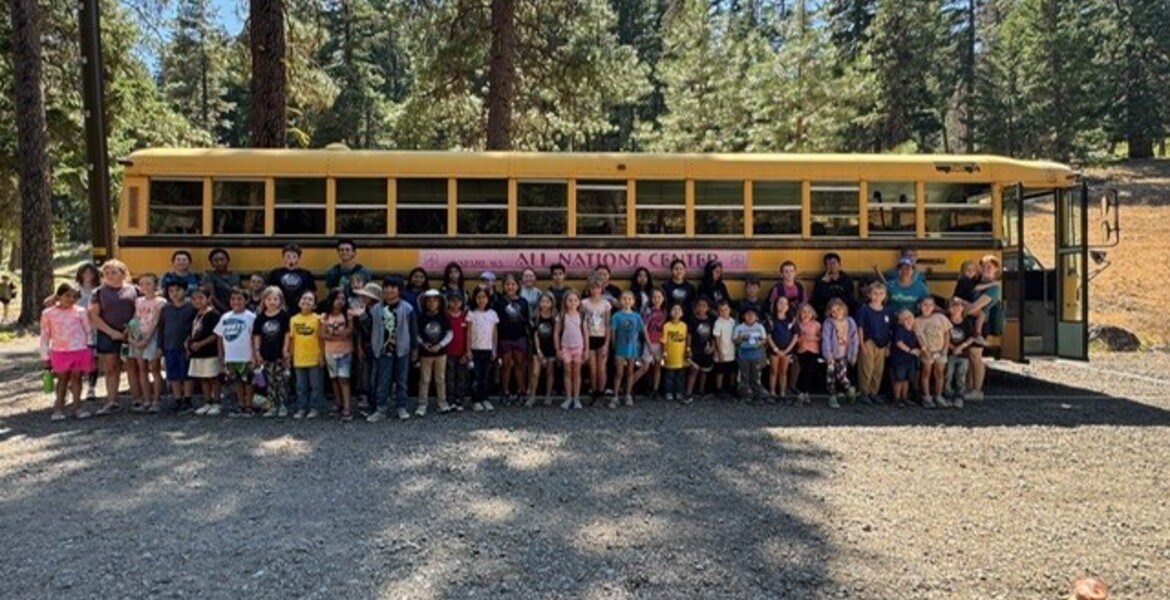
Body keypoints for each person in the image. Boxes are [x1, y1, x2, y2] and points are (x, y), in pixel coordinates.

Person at [91, 259, 139, 416]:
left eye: (114, 272)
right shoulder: (98, 292)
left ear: (123, 274)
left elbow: (142, 309)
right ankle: (112, 401)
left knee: (132, 366)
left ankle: (137, 399)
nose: (110, 275)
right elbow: (94, 316)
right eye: (107, 273)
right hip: (107, 333)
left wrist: (130, 329)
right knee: (111, 368)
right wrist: (111, 332)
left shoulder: (134, 290)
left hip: (130, 333)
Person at [40, 282, 93, 421]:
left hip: (79, 349)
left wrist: (89, 347)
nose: (71, 299)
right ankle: (58, 408)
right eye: (67, 296)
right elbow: (45, 335)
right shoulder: (48, 313)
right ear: (58, 296)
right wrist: (44, 355)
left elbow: (88, 330)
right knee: (62, 379)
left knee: (77, 378)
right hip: (59, 351)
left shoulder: (80, 311)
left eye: (74, 297)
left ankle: (77, 407)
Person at [368, 276, 418, 421]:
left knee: (401, 380)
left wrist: (415, 348)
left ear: (400, 290)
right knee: (383, 380)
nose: (389, 290)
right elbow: (369, 328)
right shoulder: (376, 309)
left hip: (402, 349)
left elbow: (413, 329)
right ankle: (381, 409)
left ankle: (401, 407)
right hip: (383, 349)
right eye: (386, 287)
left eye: (393, 287)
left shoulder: (407, 308)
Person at [964, 255, 1002, 402]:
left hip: (981, 324)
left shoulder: (993, 289)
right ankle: (968, 388)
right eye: (984, 266)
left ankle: (977, 390)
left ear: (996, 269)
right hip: (969, 322)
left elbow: (975, 307)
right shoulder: (978, 283)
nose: (986, 269)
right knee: (969, 356)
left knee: (976, 356)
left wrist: (961, 307)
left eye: (989, 267)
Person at [128, 273, 167, 413]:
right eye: (142, 284)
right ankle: (146, 399)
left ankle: (156, 400)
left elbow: (156, 321)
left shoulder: (160, 302)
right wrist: (132, 337)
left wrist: (147, 339)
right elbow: (134, 319)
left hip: (153, 337)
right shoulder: (138, 301)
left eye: (149, 283)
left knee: (155, 368)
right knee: (141, 368)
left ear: (156, 285)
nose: (145, 287)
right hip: (138, 336)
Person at [216, 288, 258, 417]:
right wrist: (221, 354)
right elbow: (220, 336)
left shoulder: (251, 317)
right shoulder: (225, 317)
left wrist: (254, 355)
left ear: (246, 300)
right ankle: (240, 404)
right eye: (233, 299)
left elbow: (254, 336)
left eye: (240, 299)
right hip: (231, 356)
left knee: (249, 381)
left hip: (246, 356)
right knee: (237, 381)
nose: (236, 302)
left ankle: (249, 405)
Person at [252, 286, 290, 418]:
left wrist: (285, 349)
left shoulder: (283, 316)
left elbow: (287, 334)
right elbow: (257, 335)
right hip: (265, 353)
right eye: (268, 299)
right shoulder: (260, 317)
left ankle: (283, 405)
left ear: (280, 300)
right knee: (269, 381)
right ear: (263, 300)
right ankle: (272, 405)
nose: (272, 302)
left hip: (279, 354)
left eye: (275, 299)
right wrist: (257, 352)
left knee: (281, 380)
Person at [159, 280, 197, 413]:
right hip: (169, 345)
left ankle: (188, 399)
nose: (174, 293)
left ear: (185, 291)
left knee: (187, 374)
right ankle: (177, 398)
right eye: (171, 291)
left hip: (185, 347)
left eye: (178, 290)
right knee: (173, 374)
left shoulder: (191, 307)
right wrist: (160, 346)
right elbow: (161, 327)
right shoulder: (165, 308)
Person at [288, 291, 326, 419]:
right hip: (299, 358)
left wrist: (322, 355)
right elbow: (292, 339)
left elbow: (321, 339)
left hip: (314, 357)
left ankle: (315, 408)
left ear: (314, 305)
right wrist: (290, 355)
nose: (306, 301)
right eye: (304, 298)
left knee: (316, 386)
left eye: (310, 299)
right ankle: (301, 408)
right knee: (300, 386)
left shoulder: (318, 319)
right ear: (299, 302)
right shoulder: (293, 319)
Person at [495, 274, 531, 405]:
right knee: (505, 366)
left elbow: (526, 320)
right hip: (504, 338)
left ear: (518, 286)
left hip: (519, 338)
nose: (510, 287)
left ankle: (521, 391)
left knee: (520, 365)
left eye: (513, 284)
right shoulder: (499, 302)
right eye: (507, 284)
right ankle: (505, 392)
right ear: (503, 286)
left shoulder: (523, 302)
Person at [416, 289, 453, 416]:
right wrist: (423, 343)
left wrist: (440, 345)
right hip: (425, 354)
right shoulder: (421, 318)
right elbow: (417, 334)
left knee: (440, 379)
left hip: (441, 353)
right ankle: (422, 404)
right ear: (424, 303)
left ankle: (442, 402)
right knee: (424, 379)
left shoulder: (444, 317)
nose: (432, 304)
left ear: (439, 302)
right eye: (429, 301)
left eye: (434, 301)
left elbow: (450, 333)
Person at [855, 282, 892, 405]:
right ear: (869, 295)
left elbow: (890, 329)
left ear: (885, 295)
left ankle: (874, 392)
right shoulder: (864, 309)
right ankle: (864, 392)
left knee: (878, 370)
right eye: (875, 293)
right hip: (868, 342)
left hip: (882, 343)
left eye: (881, 294)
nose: (878, 296)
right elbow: (860, 327)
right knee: (866, 368)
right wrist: (861, 343)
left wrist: (888, 346)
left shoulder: (887, 311)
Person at [320, 288, 354, 421]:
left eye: (343, 299)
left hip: (345, 351)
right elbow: (322, 334)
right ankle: (338, 403)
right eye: (337, 298)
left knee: (344, 379)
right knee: (334, 379)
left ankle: (347, 407)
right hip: (330, 352)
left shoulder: (347, 314)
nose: (340, 301)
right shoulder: (325, 316)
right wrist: (339, 334)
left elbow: (349, 332)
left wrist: (332, 334)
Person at [188, 287, 223, 416]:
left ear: (208, 299)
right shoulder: (195, 314)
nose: (197, 301)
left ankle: (217, 402)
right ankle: (207, 401)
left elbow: (216, 334)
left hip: (210, 351)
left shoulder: (213, 315)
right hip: (197, 352)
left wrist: (201, 343)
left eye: (200, 298)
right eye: (194, 298)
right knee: (203, 378)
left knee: (213, 377)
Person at [610, 291, 647, 408]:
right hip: (620, 348)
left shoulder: (636, 316)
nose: (627, 301)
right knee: (619, 373)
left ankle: (628, 394)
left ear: (633, 301)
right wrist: (614, 346)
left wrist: (648, 345)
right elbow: (613, 333)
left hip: (632, 348)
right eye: (624, 299)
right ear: (620, 301)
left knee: (630, 372)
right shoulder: (616, 316)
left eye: (629, 299)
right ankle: (615, 396)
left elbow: (642, 331)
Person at [821, 298, 859, 409]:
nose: (836, 313)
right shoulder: (828, 323)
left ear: (844, 309)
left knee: (842, 375)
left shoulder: (850, 322)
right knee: (831, 376)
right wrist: (828, 355)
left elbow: (854, 339)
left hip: (844, 354)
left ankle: (849, 389)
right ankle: (832, 395)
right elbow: (826, 339)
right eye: (833, 311)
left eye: (838, 309)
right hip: (832, 354)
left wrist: (853, 354)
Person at [466, 287, 499, 413]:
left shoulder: (492, 314)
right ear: (474, 299)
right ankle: (475, 400)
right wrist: (468, 349)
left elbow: (494, 333)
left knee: (485, 376)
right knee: (475, 376)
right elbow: (468, 333)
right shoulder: (471, 314)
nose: (481, 300)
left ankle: (485, 398)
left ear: (488, 299)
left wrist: (494, 349)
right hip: (475, 349)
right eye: (478, 297)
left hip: (487, 349)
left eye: (484, 297)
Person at [914, 296, 951, 408]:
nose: (927, 307)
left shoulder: (940, 317)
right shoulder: (917, 321)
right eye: (925, 305)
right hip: (928, 351)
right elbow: (919, 337)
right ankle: (926, 396)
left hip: (940, 350)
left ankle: (938, 395)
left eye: (930, 305)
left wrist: (945, 348)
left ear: (934, 307)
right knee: (926, 372)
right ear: (920, 306)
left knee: (939, 373)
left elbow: (946, 333)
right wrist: (924, 350)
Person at [581, 277, 613, 403]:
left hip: (601, 337)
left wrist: (607, 343)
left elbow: (608, 324)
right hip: (589, 337)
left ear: (601, 289)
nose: (595, 291)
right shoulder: (584, 303)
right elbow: (582, 323)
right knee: (592, 369)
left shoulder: (606, 304)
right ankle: (594, 391)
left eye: (598, 288)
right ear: (589, 289)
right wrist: (584, 343)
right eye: (593, 288)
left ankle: (601, 391)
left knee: (601, 368)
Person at [352, 282, 381, 415]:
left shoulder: (379, 311)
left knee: (375, 376)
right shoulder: (362, 310)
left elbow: (373, 328)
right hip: (365, 346)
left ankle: (375, 404)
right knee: (366, 376)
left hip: (377, 347)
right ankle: (368, 401)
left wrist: (362, 316)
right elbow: (359, 331)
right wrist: (359, 348)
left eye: (366, 296)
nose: (363, 298)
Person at [554, 290, 586, 410]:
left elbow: (585, 333)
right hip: (566, 347)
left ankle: (576, 398)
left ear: (579, 302)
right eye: (570, 300)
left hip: (578, 347)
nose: (572, 303)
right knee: (567, 372)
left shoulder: (581, 315)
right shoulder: (561, 316)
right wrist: (557, 349)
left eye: (575, 300)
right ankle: (568, 397)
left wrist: (586, 349)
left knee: (577, 373)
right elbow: (556, 333)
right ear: (565, 302)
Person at [635, 288, 667, 399]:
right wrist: (648, 343)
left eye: (659, 297)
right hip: (650, 342)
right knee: (645, 367)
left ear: (663, 299)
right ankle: (628, 385)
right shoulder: (648, 312)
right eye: (654, 297)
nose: (657, 299)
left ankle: (655, 389)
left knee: (658, 366)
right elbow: (644, 328)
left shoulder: (665, 313)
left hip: (660, 343)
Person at [527, 292, 558, 407]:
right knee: (535, 372)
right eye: (542, 301)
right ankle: (532, 396)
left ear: (552, 303)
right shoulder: (536, 317)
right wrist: (539, 350)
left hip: (551, 347)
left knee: (550, 372)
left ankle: (548, 395)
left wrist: (556, 349)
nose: (544, 304)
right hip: (538, 347)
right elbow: (535, 335)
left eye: (547, 302)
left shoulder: (555, 317)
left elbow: (556, 334)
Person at [733, 306, 770, 402]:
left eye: (752, 315)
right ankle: (744, 391)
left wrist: (760, 343)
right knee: (744, 374)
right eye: (747, 314)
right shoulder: (739, 327)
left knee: (756, 373)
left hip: (756, 354)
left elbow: (764, 339)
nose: (750, 316)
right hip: (743, 355)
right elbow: (735, 341)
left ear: (757, 317)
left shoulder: (759, 327)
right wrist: (741, 338)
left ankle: (757, 390)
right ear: (743, 316)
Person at [944, 298, 975, 408]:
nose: (957, 307)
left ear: (963, 308)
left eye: (959, 305)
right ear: (949, 308)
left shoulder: (966, 322)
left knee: (961, 375)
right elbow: (943, 335)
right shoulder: (946, 321)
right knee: (948, 375)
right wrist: (951, 347)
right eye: (954, 305)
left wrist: (962, 346)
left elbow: (971, 337)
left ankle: (959, 397)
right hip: (949, 353)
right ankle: (947, 395)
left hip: (963, 354)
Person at [269, 243, 316, 313]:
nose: (291, 259)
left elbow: (311, 293)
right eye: (288, 256)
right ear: (283, 257)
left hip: (300, 310)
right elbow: (270, 292)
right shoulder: (275, 273)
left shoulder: (306, 274)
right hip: (280, 309)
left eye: (294, 257)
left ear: (298, 258)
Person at [766, 296, 798, 399]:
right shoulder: (771, 320)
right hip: (774, 350)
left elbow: (795, 336)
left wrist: (787, 350)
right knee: (773, 371)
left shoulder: (791, 320)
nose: (782, 305)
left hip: (787, 350)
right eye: (780, 303)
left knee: (783, 371)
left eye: (785, 303)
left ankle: (782, 392)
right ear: (776, 305)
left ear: (788, 306)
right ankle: (772, 391)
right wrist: (776, 349)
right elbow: (768, 336)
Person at [685, 296, 715, 402]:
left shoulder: (711, 320)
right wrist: (688, 349)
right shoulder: (692, 320)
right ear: (696, 307)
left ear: (708, 308)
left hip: (706, 348)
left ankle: (701, 391)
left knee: (704, 371)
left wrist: (712, 347)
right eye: (699, 305)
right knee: (693, 370)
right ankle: (688, 392)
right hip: (695, 348)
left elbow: (713, 336)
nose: (701, 308)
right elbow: (689, 335)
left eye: (704, 306)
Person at [890, 310, 920, 407]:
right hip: (900, 359)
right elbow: (899, 343)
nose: (909, 320)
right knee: (899, 379)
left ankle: (904, 397)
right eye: (906, 318)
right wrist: (910, 350)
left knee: (906, 379)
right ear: (901, 320)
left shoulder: (913, 331)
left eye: (910, 317)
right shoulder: (900, 329)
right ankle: (897, 399)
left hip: (910, 360)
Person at [811, 252, 856, 317]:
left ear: (839, 264)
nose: (832, 266)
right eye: (829, 264)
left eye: (834, 263)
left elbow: (850, 298)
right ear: (826, 266)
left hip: (843, 310)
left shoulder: (846, 279)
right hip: (827, 311)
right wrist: (823, 283)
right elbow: (817, 299)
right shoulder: (821, 280)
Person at [792, 303, 821, 405]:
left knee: (809, 372)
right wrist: (801, 338)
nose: (806, 314)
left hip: (813, 350)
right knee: (802, 371)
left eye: (809, 312)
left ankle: (804, 393)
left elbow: (820, 337)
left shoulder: (816, 324)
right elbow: (795, 339)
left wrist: (813, 338)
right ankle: (804, 393)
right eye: (803, 312)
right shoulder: (797, 325)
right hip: (802, 350)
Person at [662, 304, 689, 404]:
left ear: (682, 313)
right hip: (670, 354)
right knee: (669, 376)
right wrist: (664, 352)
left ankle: (679, 392)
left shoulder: (684, 326)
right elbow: (664, 341)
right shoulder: (666, 326)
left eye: (679, 310)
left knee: (680, 376)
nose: (676, 311)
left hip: (681, 355)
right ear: (670, 312)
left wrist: (687, 351)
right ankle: (668, 392)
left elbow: (686, 339)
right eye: (674, 309)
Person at [711, 299, 737, 398]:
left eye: (725, 309)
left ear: (729, 310)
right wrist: (719, 351)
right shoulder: (718, 323)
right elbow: (716, 338)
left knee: (732, 371)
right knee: (720, 371)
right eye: (721, 310)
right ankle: (719, 389)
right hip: (721, 351)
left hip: (731, 350)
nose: (723, 312)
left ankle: (731, 388)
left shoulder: (732, 321)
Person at [201, 248, 241, 313]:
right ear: (211, 263)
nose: (219, 263)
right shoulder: (208, 276)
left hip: (235, 309)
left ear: (228, 260)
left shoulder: (235, 276)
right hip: (216, 311)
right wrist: (226, 311)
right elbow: (212, 297)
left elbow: (237, 294)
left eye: (222, 259)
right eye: (215, 260)